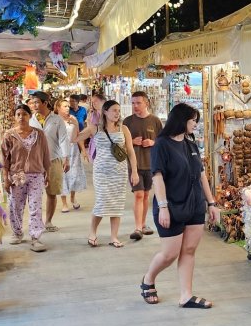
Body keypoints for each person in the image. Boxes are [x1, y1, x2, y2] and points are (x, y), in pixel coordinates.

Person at [138, 103, 220, 308]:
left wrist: (211, 203)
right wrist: (163, 207)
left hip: (194, 205)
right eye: (193, 120)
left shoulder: (191, 144)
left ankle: (186, 295)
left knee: (189, 250)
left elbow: (201, 174)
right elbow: (157, 177)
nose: (195, 125)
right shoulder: (162, 145)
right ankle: (148, 279)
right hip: (172, 206)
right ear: (181, 120)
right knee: (169, 253)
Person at [77, 100, 138, 247]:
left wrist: (134, 171)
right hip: (102, 172)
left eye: (118, 110)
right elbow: (75, 139)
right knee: (102, 202)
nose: (117, 113)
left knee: (117, 204)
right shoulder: (95, 128)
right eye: (114, 110)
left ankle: (114, 237)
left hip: (119, 171)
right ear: (105, 112)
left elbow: (130, 151)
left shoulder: (124, 129)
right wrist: (72, 125)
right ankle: (92, 232)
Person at [0, 105, 51, 252]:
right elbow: (4, 159)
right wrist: (5, 178)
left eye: (24, 114)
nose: (21, 117)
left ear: (29, 116)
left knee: (35, 206)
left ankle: (36, 237)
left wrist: (47, 172)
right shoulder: (9, 135)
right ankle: (17, 232)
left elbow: (45, 155)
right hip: (17, 175)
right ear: (15, 117)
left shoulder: (39, 134)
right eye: (18, 114)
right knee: (15, 205)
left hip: (36, 175)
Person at [124, 90, 164, 241]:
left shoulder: (155, 121)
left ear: (146, 103)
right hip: (134, 165)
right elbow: (120, 143)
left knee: (146, 195)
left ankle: (143, 223)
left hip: (151, 164)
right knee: (138, 194)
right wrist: (132, 142)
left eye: (138, 103)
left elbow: (163, 142)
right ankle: (138, 228)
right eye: (133, 103)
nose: (135, 106)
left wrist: (153, 142)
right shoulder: (127, 122)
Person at [33, 91, 71, 232]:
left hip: (53, 160)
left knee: (52, 192)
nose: (34, 105)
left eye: (37, 102)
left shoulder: (56, 120)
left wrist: (66, 158)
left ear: (45, 102)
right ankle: (36, 221)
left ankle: (48, 221)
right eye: (33, 102)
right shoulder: (31, 120)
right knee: (35, 194)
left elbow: (63, 139)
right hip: (35, 162)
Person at [56, 98, 87, 211]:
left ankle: (73, 198)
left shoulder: (73, 119)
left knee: (74, 175)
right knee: (63, 176)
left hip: (73, 150)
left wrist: (83, 150)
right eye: (64, 106)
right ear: (58, 108)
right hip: (60, 151)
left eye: (68, 106)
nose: (67, 108)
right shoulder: (55, 120)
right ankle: (64, 203)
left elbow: (78, 136)